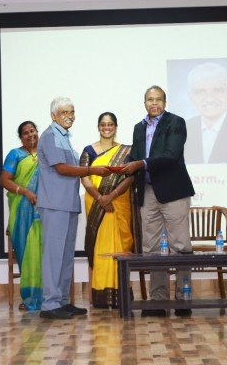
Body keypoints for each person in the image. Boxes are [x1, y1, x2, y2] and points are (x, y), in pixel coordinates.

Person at [121, 85, 195, 317]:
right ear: (144, 103)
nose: (154, 103)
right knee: (151, 249)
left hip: (173, 191)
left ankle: (183, 298)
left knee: (180, 246)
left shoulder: (176, 122)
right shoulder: (138, 127)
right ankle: (157, 301)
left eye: (158, 99)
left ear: (165, 101)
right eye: (150, 100)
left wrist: (140, 163)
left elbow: (171, 155)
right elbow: (135, 156)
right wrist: (123, 165)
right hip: (148, 192)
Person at [37, 97, 110, 319]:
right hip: (55, 204)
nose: (69, 116)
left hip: (68, 204)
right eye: (64, 112)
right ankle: (50, 305)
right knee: (54, 256)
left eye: (72, 111)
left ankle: (62, 301)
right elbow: (62, 168)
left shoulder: (65, 137)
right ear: (53, 115)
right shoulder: (50, 136)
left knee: (66, 255)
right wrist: (92, 171)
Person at [80, 112, 136, 308]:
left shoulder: (126, 151)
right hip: (96, 204)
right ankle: (100, 296)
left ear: (116, 127)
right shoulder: (88, 150)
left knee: (120, 246)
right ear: (98, 127)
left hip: (118, 202)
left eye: (110, 124)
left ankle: (121, 294)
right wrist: (100, 198)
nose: (106, 128)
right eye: (103, 124)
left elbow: (130, 177)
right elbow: (84, 177)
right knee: (99, 247)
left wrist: (111, 197)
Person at [0, 121, 43, 311]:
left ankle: (50, 297)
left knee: (44, 253)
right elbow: (4, 180)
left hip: (44, 211)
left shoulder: (46, 153)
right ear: (21, 137)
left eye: (33, 131)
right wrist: (25, 192)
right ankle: (31, 297)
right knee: (27, 253)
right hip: (22, 212)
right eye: (26, 133)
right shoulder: (15, 154)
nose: (30, 135)